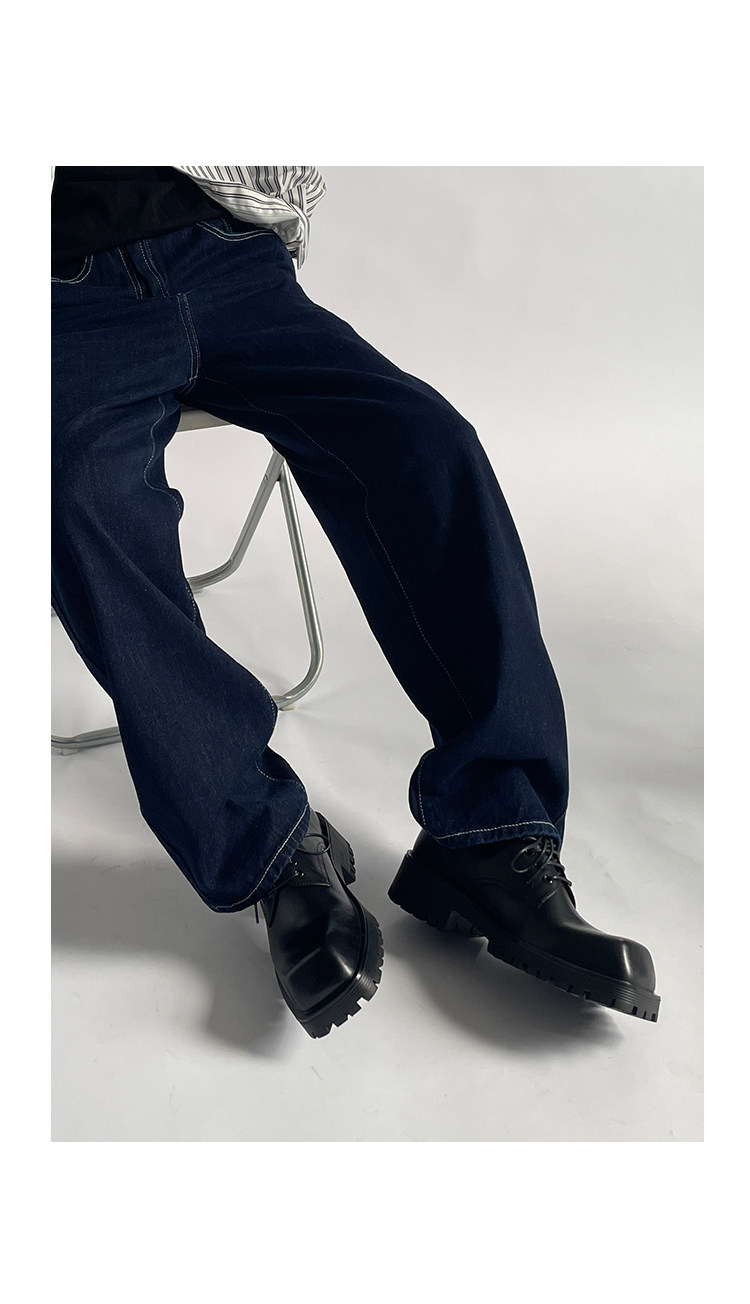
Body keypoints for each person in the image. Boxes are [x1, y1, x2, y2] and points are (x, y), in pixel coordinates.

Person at [51, 165, 661, 1038]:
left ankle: (493, 834)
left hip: (222, 252)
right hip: (57, 293)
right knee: (78, 500)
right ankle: (270, 848)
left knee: (427, 442)